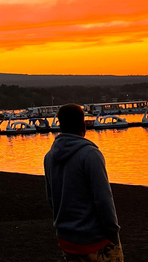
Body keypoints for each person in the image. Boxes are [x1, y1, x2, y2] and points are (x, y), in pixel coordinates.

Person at [44, 104, 123, 262]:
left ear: (60, 125)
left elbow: (51, 198)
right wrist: (113, 231)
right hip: (94, 239)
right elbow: (103, 199)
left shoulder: (49, 156)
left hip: (66, 238)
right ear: (83, 124)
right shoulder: (91, 155)